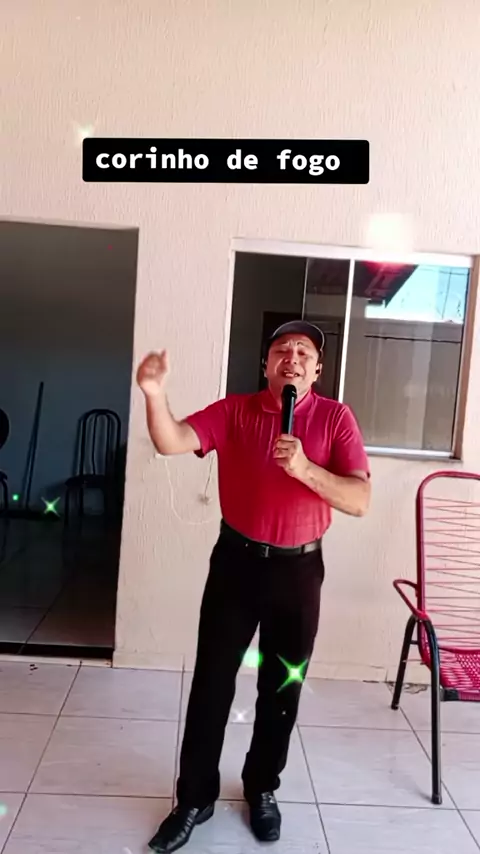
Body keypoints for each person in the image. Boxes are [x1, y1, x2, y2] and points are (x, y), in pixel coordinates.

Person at [137, 320, 371, 853]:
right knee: (212, 683)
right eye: (282, 349)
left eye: (304, 352)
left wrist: (305, 469)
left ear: (317, 370)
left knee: (282, 687)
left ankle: (262, 786)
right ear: (266, 365)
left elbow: (359, 500)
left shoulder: (336, 419)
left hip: (299, 571)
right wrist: (153, 394)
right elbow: (171, 440)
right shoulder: (235, 411)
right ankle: (194, 798)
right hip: (236, 565)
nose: (292, 357)